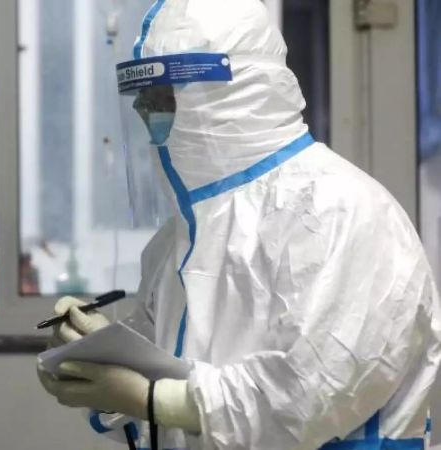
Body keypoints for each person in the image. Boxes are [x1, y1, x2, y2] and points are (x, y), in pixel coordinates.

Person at [36, 0, 441, 449]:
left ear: (230, 92)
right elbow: (171, 387)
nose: (147, 114)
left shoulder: (342, 213)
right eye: (143, 100)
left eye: (164, 96)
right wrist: (103, 352)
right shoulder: (181, 238)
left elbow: (308, 396)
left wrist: (156, 398)